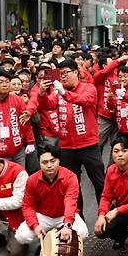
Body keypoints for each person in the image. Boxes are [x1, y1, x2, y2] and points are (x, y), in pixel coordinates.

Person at [37, 59, 103, 214]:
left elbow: (85, 100)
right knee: (71, 186)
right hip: (67, 147)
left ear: (76, 72)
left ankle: (104, 215)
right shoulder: (58, 92)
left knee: (100, 182)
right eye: (60, 74)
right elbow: (48, 105)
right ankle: (76, 218)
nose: (62, 77)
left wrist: (64, 93)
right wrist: (41, 94)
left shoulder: (89, 88)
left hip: (89, 145)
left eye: (65, 73)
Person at [15, 146, 89, 246]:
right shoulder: (32, 180)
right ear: (39, 163)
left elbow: (70, 202)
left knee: (83, 233)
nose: (49, 165)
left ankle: (53, 243)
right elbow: (27, 206)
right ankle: (48, 241)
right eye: (44, 162)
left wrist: (67, 225)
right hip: (43, 215)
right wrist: (35, 225)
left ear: (59, 160)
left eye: (52, 161)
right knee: (21, 236)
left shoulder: (70, 177)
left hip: (64, 214)